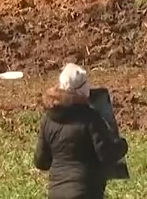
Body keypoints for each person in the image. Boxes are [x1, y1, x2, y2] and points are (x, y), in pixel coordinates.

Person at [33, 64, 128, 199]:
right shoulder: (90, 118)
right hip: (85, 192)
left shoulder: (48, 119)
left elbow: (41, 162)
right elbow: (106, 154)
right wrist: (122, 145)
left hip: (56, 194)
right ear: (82, 89)